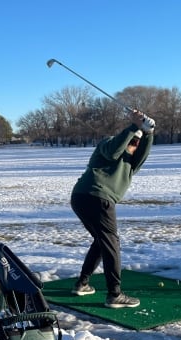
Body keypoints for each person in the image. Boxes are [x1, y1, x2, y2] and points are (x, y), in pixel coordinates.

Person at [69, 109, 155, 308]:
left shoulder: (130, 163)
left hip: (85, 198)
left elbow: (142, 156)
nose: (134, 147)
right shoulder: (109, 144)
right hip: (95, 197)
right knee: (111, 243)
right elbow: (114, 150)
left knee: (102, 241)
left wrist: (149, 133)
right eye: (133, 142)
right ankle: (114, 295)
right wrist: (134, 126)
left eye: (136, 144)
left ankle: (82, 283)